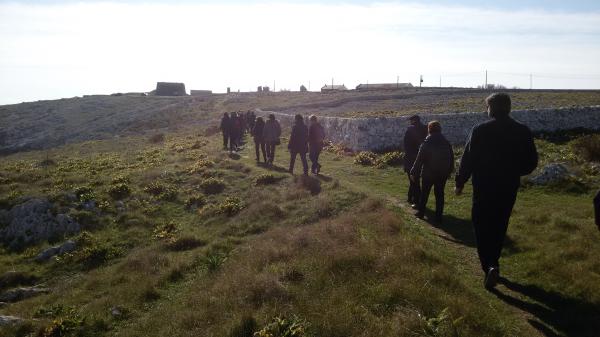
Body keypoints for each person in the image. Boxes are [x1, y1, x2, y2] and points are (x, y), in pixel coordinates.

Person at [455, 93, 538, 290]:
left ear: (491, 108)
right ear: (508, 108)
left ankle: (490, 265)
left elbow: (468, 159)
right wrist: (516, 172)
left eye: (487, 107)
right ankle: (494, 262)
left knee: (481, 224)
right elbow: (531, 162)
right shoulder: (522, 131)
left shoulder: (480, 130)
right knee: (500, 225)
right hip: (508, 187)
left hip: (484, 186)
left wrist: (460, 182)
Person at [410, 121, 454, 223]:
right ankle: (438, 217)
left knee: (424, 194)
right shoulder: (446, 142)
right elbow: (451, 158)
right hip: (442, 174)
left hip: (428, 173)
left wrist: (413, 172)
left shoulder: (427, 142)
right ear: (440, 129)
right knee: (439, 195)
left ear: (429, 129)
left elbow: (419, 159)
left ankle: (421, 213)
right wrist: (449, 171)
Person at [404, 115, 428, 207]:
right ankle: (410, 198)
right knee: (415, 180)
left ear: (412, 121)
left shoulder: (409, 130)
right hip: (423, 158)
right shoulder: (425, 128)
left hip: (411, 159)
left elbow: (406, 147)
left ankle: (417, 201)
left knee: (414, 181)